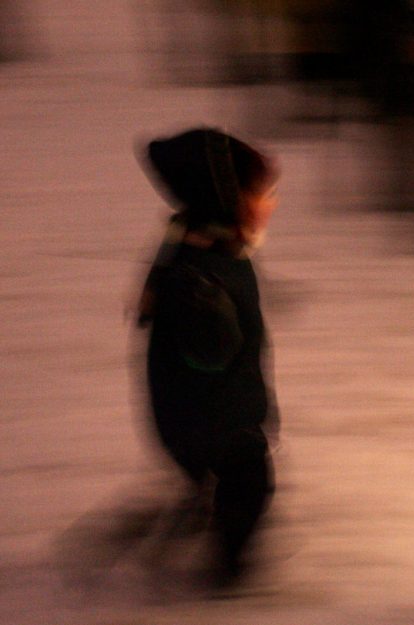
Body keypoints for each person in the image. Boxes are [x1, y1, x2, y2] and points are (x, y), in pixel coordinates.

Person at [134, 126, 280, 589]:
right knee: (250, 488)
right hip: (215, 419)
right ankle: (224, 580)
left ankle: (195, 507)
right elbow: (210, 352)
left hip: (197, 414)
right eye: (261, 194)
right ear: (225, 198)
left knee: (216, 480)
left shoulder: (203, 246)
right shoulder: (201, 276)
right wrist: (215, 321)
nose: (270, 204)